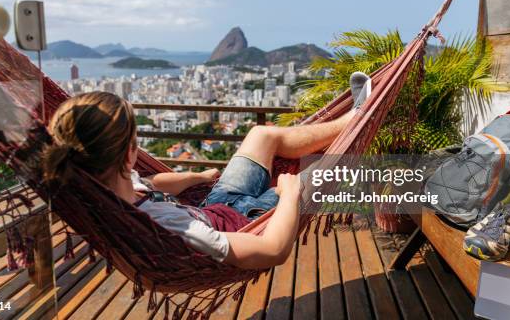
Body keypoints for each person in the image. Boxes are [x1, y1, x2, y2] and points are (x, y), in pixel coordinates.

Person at [43, 73, 371, 269]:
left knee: (262, 134)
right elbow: (273, 250)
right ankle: (355, 128)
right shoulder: (169, 227)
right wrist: (290, 194)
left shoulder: (102, 182)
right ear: (129, 154)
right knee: (318, 175)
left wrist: (199, 177)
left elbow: (153, 182)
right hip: (246, 223)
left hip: (213, 205)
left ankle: (348, 121)